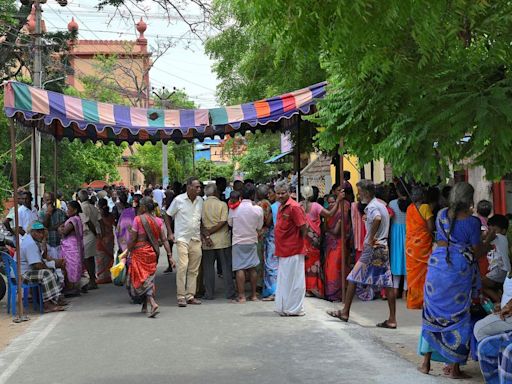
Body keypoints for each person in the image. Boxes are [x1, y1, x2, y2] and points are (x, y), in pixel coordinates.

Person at [419, 182, 494, 379]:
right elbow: (477, 252)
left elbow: (443, 242)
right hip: (459, 270)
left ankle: (425, 363)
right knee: (459, 317)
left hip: (437, 266)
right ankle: (454, 369)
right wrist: (489, 241)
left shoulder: (442, 214)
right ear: (469, 199)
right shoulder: (473, 222)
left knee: (432, 314)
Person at [327, 180, 396, 328]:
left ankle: (345, 312)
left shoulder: (371, 207)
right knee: (387, 283)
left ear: (365, 192)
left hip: (372, 248)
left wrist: (370, 237)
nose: (358, 195)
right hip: (382, 246)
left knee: (353, 278)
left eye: (359, 191)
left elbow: (377, 218)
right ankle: (392, 319)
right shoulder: (381, 205)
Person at [124, 197, 173, 318]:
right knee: (149, 278)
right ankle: (145, 306)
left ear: (144, 207)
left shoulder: (138, 219)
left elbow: (133, 238)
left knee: (142, 279)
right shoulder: (158, 221)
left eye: (140, 206)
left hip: (139, 252)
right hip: (152, 253)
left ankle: (152, 302)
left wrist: (127, 251)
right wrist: (170, 256)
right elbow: (164, 239)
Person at [167, 177, 204, 307]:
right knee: (183, 266)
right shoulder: (178, 200)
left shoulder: (200, 201)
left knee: (194, 269)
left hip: (195, 238)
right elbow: (167, 215)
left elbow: (201, 220)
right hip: (182, 238)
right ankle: (181, 296)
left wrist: (205, 235)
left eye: (199, 187)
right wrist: (170, 232)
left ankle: (190, 295)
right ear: (189, 187)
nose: (199, 189)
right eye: (196, 187)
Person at [274, 180, 307, 316]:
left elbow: (303, 227)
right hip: (283, 250)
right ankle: (285, 307)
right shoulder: (281, 207)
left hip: (294, 250)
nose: (280, 196)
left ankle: (294, 309)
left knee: (295, 281)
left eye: (283, 193)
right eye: (278, 193)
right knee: (285, 280)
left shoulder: (294, 207)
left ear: (288, 193)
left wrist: (299, 242)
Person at [20, 221, 66, 312]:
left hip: (27, 271)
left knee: (50, 270)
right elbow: (37, 265)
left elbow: (43, 257)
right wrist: (48, 269)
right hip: (22, 274)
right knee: (46, 273)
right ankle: (47, 304)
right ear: (32, 232)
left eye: (42, 232)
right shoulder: (30, 244)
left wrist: (44, 240)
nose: (41, 235)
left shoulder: (33, 241)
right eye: (39, 232)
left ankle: (54, 299)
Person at [228, 184, 263, 303]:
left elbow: (230, 224)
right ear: (254, 195)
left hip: (238, 241)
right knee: (252, 268)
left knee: (239, 268)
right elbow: (259, 226)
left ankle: (241, 296)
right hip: (252, 240)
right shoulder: (258, 209)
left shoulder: (234, 209)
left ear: (241, 195)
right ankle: (253, 295)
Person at [201, 183, 235, 300]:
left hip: (207, 241)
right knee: (226, 267)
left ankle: (209, 293)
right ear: (216, 192)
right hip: (222, 241)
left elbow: (198, 221)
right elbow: (223, 221)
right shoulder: (222, 204)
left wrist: (206, 233)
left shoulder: (201, 205)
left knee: (208, 268)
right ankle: (229, 293)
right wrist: (210, 232)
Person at [405, 186, 434, 309]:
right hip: (423, 245)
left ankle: (413, 301)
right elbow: (431, 227)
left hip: (410, 246)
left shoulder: (409, 208)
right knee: (424, 272)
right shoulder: (425, 207)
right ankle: (423, 300)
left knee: (412, 274)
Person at [323, 193, 350, 302]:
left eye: (332, 202)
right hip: (329, 244)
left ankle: (336, 293)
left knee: (335, 269)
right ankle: (330, 293)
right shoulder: (328, 214)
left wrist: (329, 230)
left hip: (338, 244)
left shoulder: (340, 214)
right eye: (328, 203)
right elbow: (326, 228)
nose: (330, 205)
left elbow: (335, 231)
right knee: (328, 267)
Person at [482, 214, 511, 303]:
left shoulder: (500, 237)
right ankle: (499, 298)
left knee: (480, 283)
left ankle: (499, 302)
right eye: (490, 229)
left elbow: (486, 240)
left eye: (494, 230)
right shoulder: (499, 238)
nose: (492, 232)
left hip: (501, 269)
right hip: (501, 270)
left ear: (503, 231)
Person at [388, 183, 410, 299]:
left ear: (398, 192)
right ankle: (405, 292)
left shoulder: (392, 203)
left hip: (395, 233)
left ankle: (396, 290)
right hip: (407, 232)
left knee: (396, 260)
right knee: (407, 260)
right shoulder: (411, 205)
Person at [58, 201, 84, 296]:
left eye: (69, 209)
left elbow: (64, 231)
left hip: (71, 248)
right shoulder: (76, 219)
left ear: (75, 210)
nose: (67, 211)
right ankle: (73, 287)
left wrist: (59, 229)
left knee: (70, 267)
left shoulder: (73, 219)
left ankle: (72, 287)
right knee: (72, 267)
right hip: (73, 246)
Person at [78, 190, 100, 291]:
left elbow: (88, 222)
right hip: (92, 234)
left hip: (88, 234)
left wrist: (94, 233)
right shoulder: (93, 207)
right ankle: (93, 279)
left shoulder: (82, 207)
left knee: (87, 258)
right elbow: (99, 220)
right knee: (90, 258)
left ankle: (92, 280)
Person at [39, 192, 67, 259]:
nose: (50, 202)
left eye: (51, 200)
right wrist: (48, 213)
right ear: (44, 201)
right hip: (48, 244)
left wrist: (50, 228)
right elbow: (44, 226)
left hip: (59, 244)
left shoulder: (60, 212)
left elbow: (63, 224)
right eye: (48, 200)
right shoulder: (41, 213)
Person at [96, 198, 115, 284]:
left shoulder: (99, 215)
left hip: (102, 238)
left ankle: (102, 277)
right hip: (110, 238)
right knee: (108, 257)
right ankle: (108, 276)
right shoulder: (110, 215)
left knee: (101, 258)